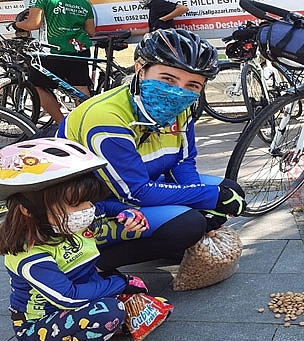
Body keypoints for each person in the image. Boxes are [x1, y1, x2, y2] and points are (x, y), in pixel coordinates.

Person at [56, 28, 246, 272]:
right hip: (91, 207)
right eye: (168, 79)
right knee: (188, 224)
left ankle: (168, 241)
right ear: (140, 69)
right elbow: (135, 193)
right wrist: (208, 198)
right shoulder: (106, 119)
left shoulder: (181, 108)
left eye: (193, 85)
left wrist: (204, 201)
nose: (179, 91)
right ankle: (92, 263)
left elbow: (184, 162)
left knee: (228, 190)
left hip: (133, 189)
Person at [0, 138, 150, 341]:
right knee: (110, 312)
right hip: (37, 325)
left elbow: (106, 207)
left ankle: (82, 336)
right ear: (27, 210)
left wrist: (127, 213)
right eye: (76, 204)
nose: (88, 210)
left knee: (132, 306)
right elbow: (67, 298)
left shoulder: (65, 220)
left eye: (88, 201)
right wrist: (122, 282)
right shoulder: (30, 255)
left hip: (75, 299)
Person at [15, 0, 96, 124]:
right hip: (79, 50)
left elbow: (33, 24)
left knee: (36, 85)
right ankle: (87, 125)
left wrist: (18, 24)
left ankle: (61, 123)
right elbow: (91, 31)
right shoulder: (84, 2)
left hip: (53, 50)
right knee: (80, 88)